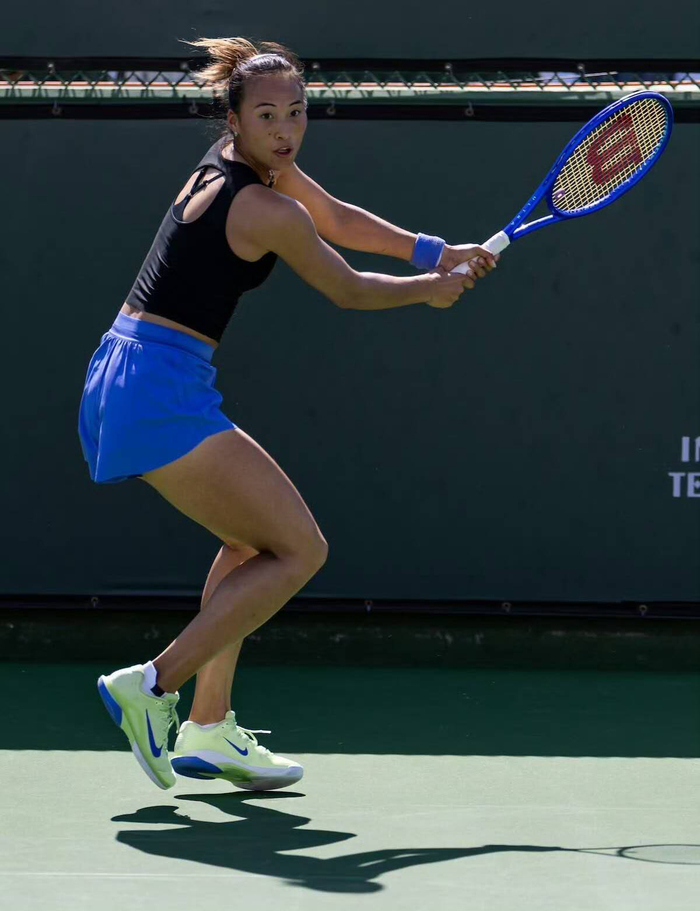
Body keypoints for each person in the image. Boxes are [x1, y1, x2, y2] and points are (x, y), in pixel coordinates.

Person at [79, 36, 500, 792]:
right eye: (267, 115)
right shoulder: (263, 205)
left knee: (250, 543)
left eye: (297, 113)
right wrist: (429, 292)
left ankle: (209, 728)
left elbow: (333, 214)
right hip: (156, 387)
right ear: (234, 119)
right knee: (300, 551)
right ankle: (152, 684)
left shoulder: (241, 166)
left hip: (129, 370)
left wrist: (434, 252)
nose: (285, 129)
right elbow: (348, 288)